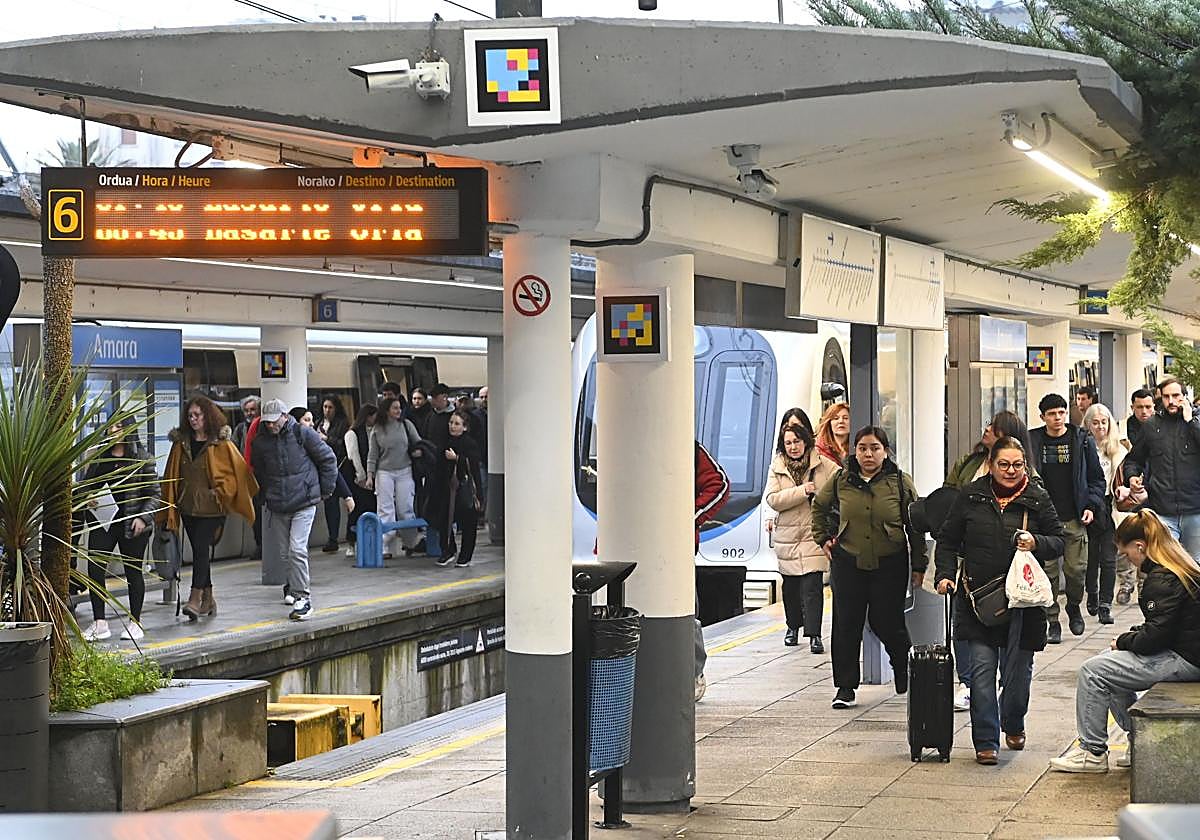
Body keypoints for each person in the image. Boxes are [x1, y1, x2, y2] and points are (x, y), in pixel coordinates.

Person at [935, 436, 1065, 765]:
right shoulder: (972, 495)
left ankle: (1013, 721)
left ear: (1026, 466)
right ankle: (985, 740)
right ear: (991, 465)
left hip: (1023, 605)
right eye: (1003, 464)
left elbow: (1059, 541)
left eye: (1017, 465)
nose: (1010, 471)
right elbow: (948, 540)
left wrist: (1036, 541)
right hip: (977, 600)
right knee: (980, 675)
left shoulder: (1036, 497)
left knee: (1017, 677)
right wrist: (944, 574)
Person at [1050, 510, 1200, 773]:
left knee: (1093, 671)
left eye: (1126, 551)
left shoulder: (1162, 578)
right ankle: (1139, 741)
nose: (1127, 558)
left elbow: (1155, 638)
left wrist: (1124, 640)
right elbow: (1164, 624)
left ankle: (1092, 752)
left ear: (1140, 546)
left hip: (1186, 659)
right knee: (1110, 667)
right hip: (1188, 651)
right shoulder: (1178, 567)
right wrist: (1129, 639)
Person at [812, 425, 925, 710]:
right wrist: (823, 538)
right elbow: (819, 507)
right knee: (846, 624)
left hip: (890, 563)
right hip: (848, 562)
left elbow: (915, 525)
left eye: (875, 448)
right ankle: (845, 687)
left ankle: (902, 666)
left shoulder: (899, 482)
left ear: (885, 451)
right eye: (862, 448)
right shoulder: (841, 479)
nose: (868, 454)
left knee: (887, 622)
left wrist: (919, 563)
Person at [160, 396, 257, 621]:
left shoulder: (221, 443)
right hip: (188, 507)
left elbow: (239, 473)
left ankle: (194, 599)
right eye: (190, 416)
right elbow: (171, 475)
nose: (193, 419)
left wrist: (221, 491)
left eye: (198, 415)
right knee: (198, 551)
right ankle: (209, 599)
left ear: (208, 416)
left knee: (201, 549)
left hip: (213, 508)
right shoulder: (181, 443)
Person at [250, 399, 337, 621]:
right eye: (267, 422)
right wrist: (263, 496)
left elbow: (328, 459)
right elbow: (258, 471)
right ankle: (293, 587)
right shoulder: (260, 442)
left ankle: (303, 598)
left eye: (274, 421)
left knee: (297, 549)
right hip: (277, 504)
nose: (271, 426)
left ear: (284, 416)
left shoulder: (302, 434)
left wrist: (325, 490)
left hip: (304, 500)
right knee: (284, 554)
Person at [1029, 393, 1106, 643]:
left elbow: (1096, 479)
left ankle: (1074, 605)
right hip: (1045, 521)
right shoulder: (1033, 441)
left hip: (1075, 517)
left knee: (1076, 570)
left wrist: (1091, 506)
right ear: (1043, 417)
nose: (1058, 418)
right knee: (1049, 574)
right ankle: (1052, 619)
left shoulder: (1081, 440)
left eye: (1061, 412)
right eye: (1052, 414)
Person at [81, 421, 160, 642]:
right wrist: (89, 498)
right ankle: (100, 622)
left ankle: (135, 622)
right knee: (95, 568)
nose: (113, 432)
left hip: (132, 524)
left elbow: (154, 493)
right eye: (111, 427)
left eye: (118, 427)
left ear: (128, 430)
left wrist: (143, 518)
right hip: (104, 522)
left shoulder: (142, 457)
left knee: (133, 571)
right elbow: (86, 485)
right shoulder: (99, 456)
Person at [766, 422, 834, 653]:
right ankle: (792, 627)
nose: (793, 447)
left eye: (797, 441)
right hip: (787, 536)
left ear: (806, 441)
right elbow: (773, 499)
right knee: (791, 588)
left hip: (813, 533)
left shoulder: (822, 464)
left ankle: (815, 635)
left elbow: (841, 483)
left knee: (813, 585)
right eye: (788, 443)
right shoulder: (777, 467)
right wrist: (803, 491)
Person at [1122, 376, 1200, 561]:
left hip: (1195, 510)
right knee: (1166, 566)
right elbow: (1134, 460)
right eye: (1166, 396)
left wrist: (1191, 422)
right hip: (1162, 510)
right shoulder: (1151, 425)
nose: (1171, 401)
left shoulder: (1196, 421)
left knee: (1195, 565)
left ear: (1185, 396)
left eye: (1176, 395)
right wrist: (1132, 477)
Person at [1082, 403, 1127, 625]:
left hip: (1111, 507)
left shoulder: (1119, 449)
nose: (1100, 426)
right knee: (1090, 558)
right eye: (1095, 422)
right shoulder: (1082, 447)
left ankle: (1105, 604)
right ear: (1087, 425)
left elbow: (1128, 477)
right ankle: (1092, 592)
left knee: (1109, 559)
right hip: (1089, 507)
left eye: (1104, 422)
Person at [693, 440, 731, 702]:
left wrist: (688, 517)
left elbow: (719, 484)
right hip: (620, 546)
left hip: (674, 548)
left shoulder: (688, 448)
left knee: (684, 614)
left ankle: (693, 673)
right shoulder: (616, 444)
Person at [366, 396, 425, 558]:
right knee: (385, 510)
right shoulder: (377, 430)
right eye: (395, 408)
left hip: (405, 470)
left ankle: (410, 542)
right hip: (384, 472)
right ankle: (385, 547)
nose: (399, 411)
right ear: (386, 410)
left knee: (405, 508)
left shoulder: (406, 425)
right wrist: (370, 476)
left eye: (399, 407)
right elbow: (373, 455)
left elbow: (419, 442)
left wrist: (419, 452)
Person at [430, 409, 484, 568]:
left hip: (465, 487)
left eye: (457, 424)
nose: (452, 426)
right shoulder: (444, 441)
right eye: (451, 423)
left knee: (468, 523)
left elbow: (473, 465)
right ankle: (447, 550)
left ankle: (465, 555)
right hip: (446, 488)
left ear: (465, 427)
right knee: (443, 520)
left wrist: (457, 459)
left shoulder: (470, 444)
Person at [316, 395, 351, 553]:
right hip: (324, 469)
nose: (327, 410)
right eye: (325, 407)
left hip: (340, 467)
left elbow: (343, 444)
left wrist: (326, 438)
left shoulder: (343, 424)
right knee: (330, 504)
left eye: (330, 407)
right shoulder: (319, 423)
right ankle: (333, 538)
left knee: (343, 500)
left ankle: (346, 536)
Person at [231, 395, 263, 561]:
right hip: (248, 477)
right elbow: (234, 449)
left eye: (252, 410)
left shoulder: (263, 427)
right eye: (246, 410)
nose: (249, 413)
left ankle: (264, 545)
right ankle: (260, 544)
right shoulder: (240, 429)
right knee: (254, 513)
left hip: (263, 477)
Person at [343, 404, 378, 558]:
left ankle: (368, 540)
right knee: (356, 510)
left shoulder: (375, 431)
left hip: (372, 477)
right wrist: (362, 476)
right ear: (367, 416)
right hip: (357, 478)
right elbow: (353, 456)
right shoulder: (352, 434)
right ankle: (351, 541)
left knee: (371, 507)